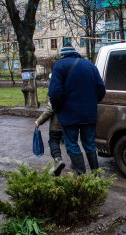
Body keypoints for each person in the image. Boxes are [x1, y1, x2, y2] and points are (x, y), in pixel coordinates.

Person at [48, 44, 106, 175]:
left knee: (72, 144)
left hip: (69, 115)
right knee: (90, 144)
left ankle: (82, 176)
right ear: (75, 53)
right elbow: (101, 89)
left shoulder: (59, 65)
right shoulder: (89, 65)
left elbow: (55, 93)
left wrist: (58, 108)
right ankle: (96, 176)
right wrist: (91, 103)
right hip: (89, 114)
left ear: (62, 55)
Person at [35, 98, 65, 176]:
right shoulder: (72, 88)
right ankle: (77, 166)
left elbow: (50, 110)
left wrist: (39, 121)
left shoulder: (55, 89)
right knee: (72, 144)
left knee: (53, 141)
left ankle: (58, 160)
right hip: (70, 124)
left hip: (57, 125)